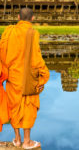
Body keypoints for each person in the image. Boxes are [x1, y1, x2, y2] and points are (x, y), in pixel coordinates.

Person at [0, 8, 50, 149]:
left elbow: (2, 53)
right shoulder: (33, 33)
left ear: (18, 17)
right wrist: (44, 76)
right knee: (28, 107)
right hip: (28, 78)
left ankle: (17, 139)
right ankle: (27, 142)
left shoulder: (9, 32)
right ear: (33, 18)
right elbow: (36, 58)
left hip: (13, 77)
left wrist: (5, 72)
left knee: (14, 106)